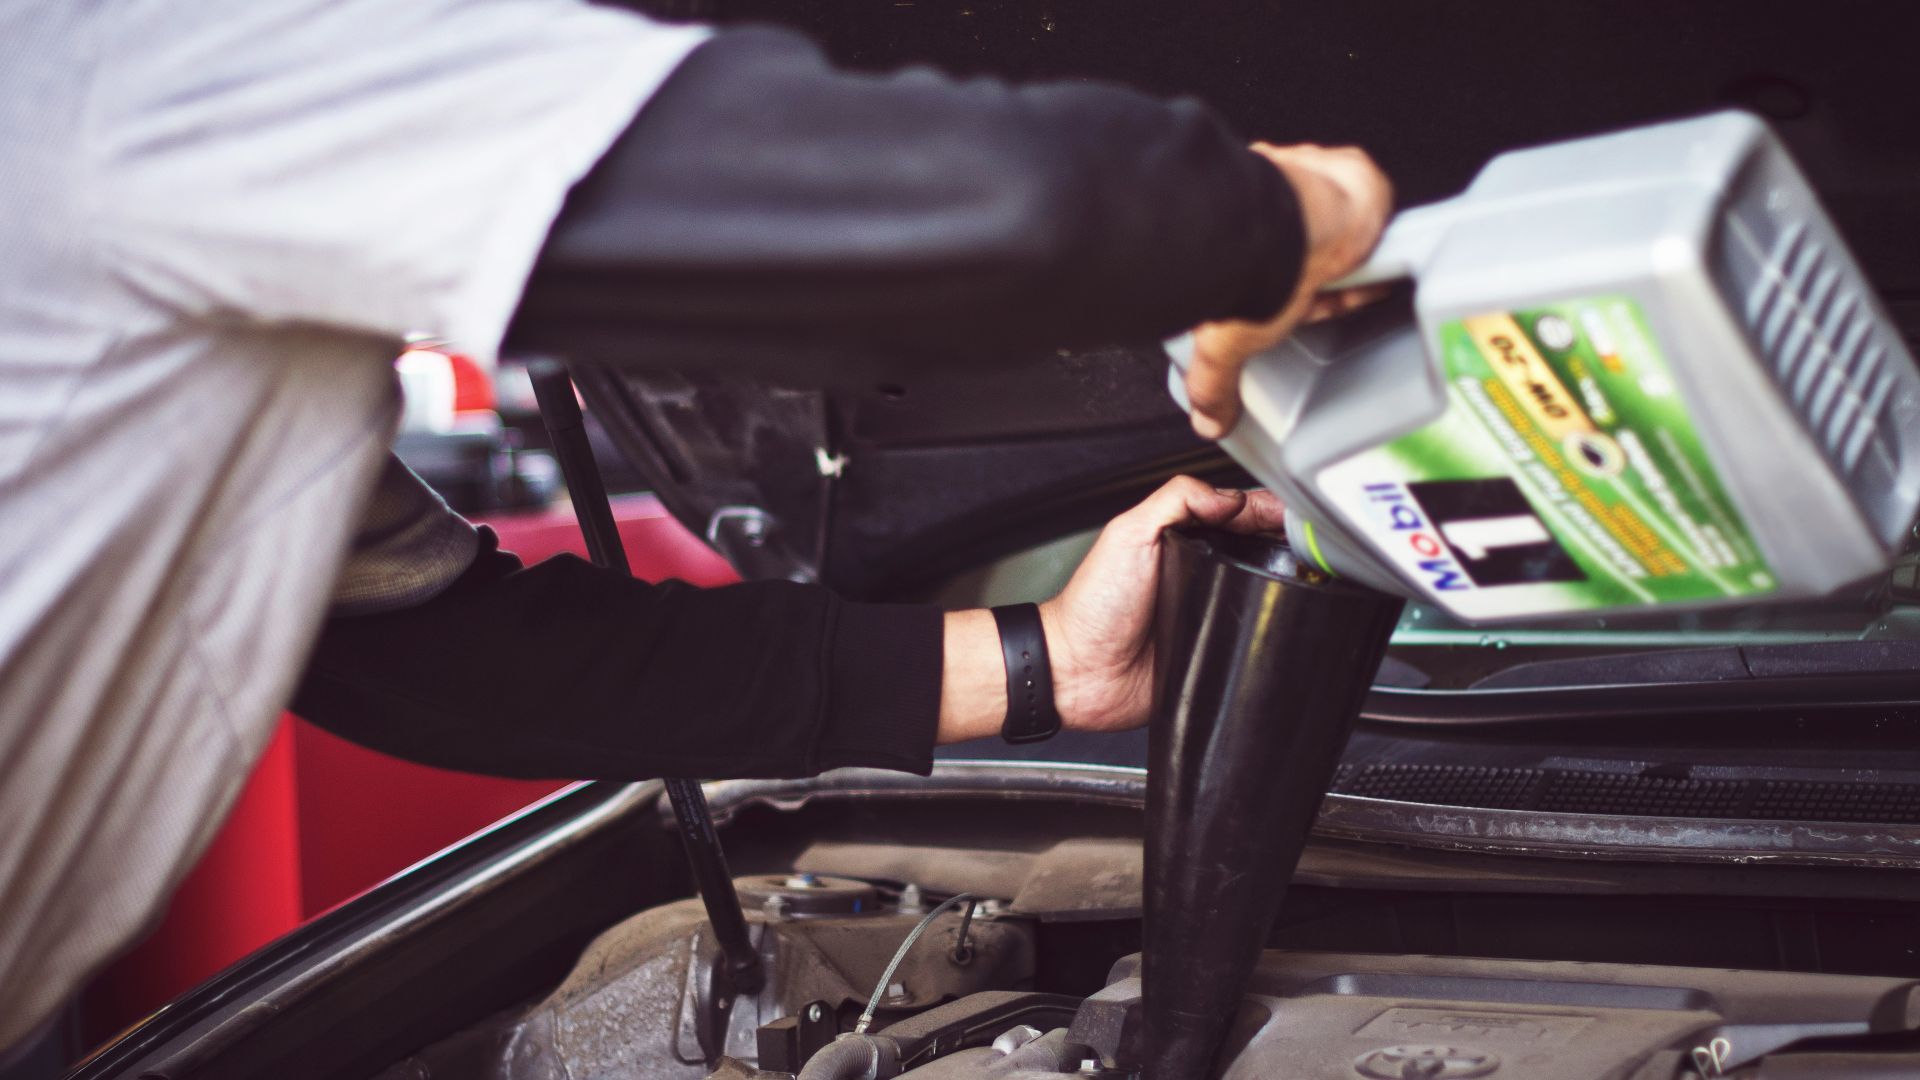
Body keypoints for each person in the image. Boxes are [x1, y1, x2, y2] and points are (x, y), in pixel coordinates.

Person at [0, 0, 1390, 1057]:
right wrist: (1294, 216)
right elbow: (962, 198)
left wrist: (1044, 668)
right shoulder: (137, 73)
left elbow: (438, 656)